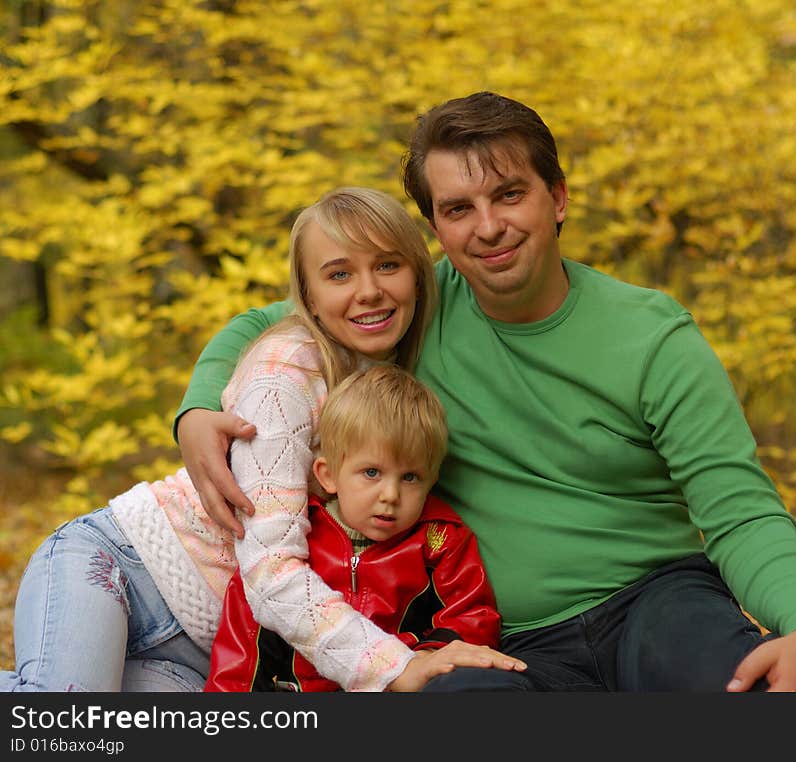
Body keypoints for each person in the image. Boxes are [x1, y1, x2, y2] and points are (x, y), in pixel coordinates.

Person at [175, 93, 796, 692]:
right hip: (507, 639)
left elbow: (740, 511)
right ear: (436, 231)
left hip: (656, 600)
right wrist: (201, 408)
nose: (488, 227)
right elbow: (269, 320)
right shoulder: (415, 306)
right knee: (456, 709)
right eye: (458, 209)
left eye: (509, 194)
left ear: (559, 197)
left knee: (737, 682)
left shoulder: (652, 337)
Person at [1, 186, 523, 692]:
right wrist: (393, 668)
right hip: (121, 570)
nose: (369, 290)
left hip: (203, 644)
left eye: (388, 265)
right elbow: (271, 570)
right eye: (339, 274)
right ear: (310, 298)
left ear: (417, 274)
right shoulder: (283, 377)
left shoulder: (394, 372)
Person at [206, 364, 504, 692]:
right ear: (328, 475)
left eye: (410, 477)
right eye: (372, 473)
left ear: (431, 481)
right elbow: (243, 651)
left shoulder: (440, 540)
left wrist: (425, 660)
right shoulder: (294, 546)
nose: (390, 496)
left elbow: (472, 617)